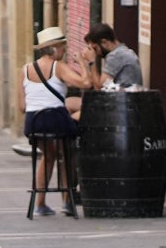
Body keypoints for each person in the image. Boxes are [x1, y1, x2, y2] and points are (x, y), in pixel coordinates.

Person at [18, 26, 91, 216]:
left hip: (33, 123)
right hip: (56, 121)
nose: (64, 50)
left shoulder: (25, 70)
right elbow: (85, 83)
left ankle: (40, 203)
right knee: (67, 152)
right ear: (53, 48)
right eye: (62, 47)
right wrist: (82, 63)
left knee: (49, 155)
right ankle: (67, 200)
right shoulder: (58, 66)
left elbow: (22, 106)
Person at [81, 22, 143, 89]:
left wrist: (92, 62)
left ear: (104, 42)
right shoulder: (124, 51)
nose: (95, 53)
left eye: (95, 48)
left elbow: (100, 89)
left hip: (124, 95)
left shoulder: (115, 56)